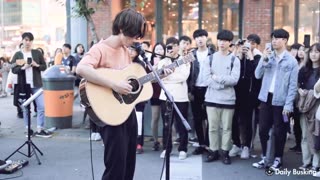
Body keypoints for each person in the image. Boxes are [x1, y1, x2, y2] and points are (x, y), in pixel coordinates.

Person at [76, 8, 149, 180]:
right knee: (116, 165)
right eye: (133, 35)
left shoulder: (125, 50)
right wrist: (114, 85)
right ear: (123, 29)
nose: (135, 40)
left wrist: (158, 75)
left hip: (125, 111)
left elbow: (126, 79)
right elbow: (81, 68)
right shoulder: (100, 48)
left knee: (129, 162)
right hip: (108, 114)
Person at [252, 29, 299, 170]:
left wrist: (289, 104)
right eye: (273, 38)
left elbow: (292, 86)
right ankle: (266, 157)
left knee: (280, 131)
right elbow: (257, 75)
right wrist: (263, 59)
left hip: (281, 101)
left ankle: (278, 158)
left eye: (277, 38)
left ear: (285, 40)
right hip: (266, 98)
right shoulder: (269, 56)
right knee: (263, 130)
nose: (274, 41)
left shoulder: (291, 61)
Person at [203, 29, 240, 165]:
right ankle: (213, 151)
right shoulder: (210, 59)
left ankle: (225, 152)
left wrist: (217, 78)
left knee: (227, 128)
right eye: (220, 40)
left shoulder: (234, 60)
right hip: (211, 99)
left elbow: (234, 79)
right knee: (212, 127)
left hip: (228, 100)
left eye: (225, 41)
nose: (222, 43)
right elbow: (206, 79)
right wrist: (223, 83)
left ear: (230, 43)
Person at [11, 32, 51, 138]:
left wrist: (36, 65)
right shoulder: (18, 55)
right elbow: (13, 69)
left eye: (30, 40)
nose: (28, 42)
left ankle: (40, 128)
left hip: (36, 84)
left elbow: (44, 66)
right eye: (26, 40)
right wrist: (22, 68)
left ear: (32, 42)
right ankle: (27, 129)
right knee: (26, 108)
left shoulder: (37, 53)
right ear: (22, 41)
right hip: (24, 85)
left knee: (41, 106)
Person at [229, 34, 262, 159]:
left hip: (250, 95)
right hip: (236, 93)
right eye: (247, 43)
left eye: (252, 44)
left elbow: (256, 75)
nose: (249, 46)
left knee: (247, 121)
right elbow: (231, 69)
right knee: (234, 120)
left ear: (257, 45)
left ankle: (246, 146)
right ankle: (236, 144)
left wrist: (251, 58)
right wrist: (238, 52)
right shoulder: (238, 56)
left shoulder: (258, 57)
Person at [158, 37, 190, 160]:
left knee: (181, 124)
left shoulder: (184, 59)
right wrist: (166, 75)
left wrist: (169, 76)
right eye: (168, 46)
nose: (171, 49)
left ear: (178, 46)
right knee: (166, 125)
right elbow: (159, 77)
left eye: (173, 46)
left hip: (181, 97)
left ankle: (183, 148)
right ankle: (166, 149)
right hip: (165, 96)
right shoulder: (162, 61)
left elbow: (183, 76)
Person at [188, 29, 215, 155]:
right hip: (195, 89)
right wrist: (189, 90)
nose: (199, 39)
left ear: (206, 38)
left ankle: (209, 144)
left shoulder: (213, 53)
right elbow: (187, 73)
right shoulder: (191, 54)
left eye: (202, 37)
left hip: (209, 89)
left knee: (210, 118)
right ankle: (201, 144)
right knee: (197, 118)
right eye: (197, 37)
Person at [297, 43, 320, 172]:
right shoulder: (304, 69)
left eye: (317, 52)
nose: (313, 54)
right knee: (305, 135)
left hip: (317, 106)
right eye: (311, 51)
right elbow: (298, 85)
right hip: (305, 106)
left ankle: (316, 163)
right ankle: (306, 162)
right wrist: (300, 91)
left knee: (316, 135)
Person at [149, 42, 166, 151]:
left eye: (161, 49)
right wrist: (154, 67)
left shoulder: (168, 61)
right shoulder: (149, 62)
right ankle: (155, 140)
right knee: (155, 117)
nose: (159, 51)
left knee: (167, 119)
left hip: (165, 93)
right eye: (157, 49)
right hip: (154, 93)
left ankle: (166, 141)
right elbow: (148, 78)